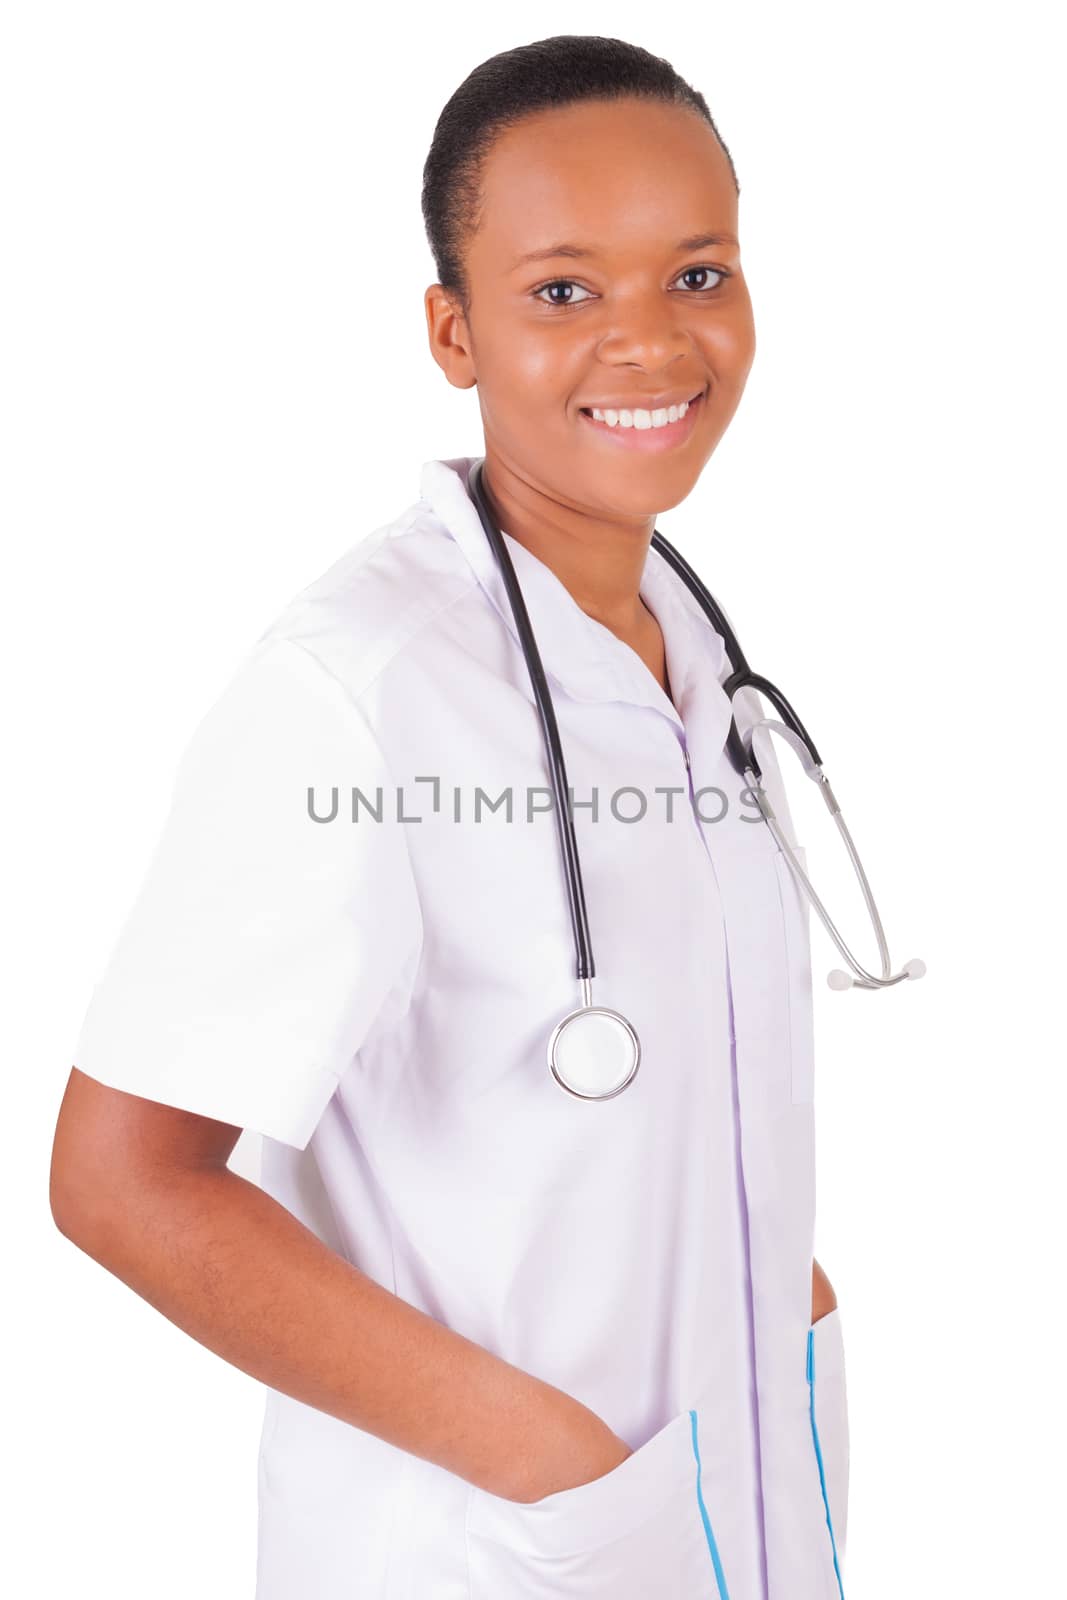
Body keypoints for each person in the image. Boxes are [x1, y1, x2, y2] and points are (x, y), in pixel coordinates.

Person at [51, 34, 850, 1600]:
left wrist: (785, 1316)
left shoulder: (685, 649)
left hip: (738, 1513)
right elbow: (120, 1179)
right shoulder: (362, 682)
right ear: (452, 331)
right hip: (498, 1548)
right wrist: (548, 1458)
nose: (650, 343)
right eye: (563, 290)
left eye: (698, 273)